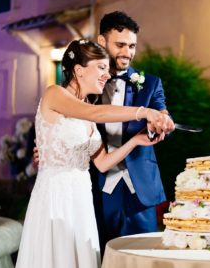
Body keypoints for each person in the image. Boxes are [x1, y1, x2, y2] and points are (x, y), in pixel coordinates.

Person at [16, 39, 174, 268]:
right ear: (79, 70)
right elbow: (96, 113)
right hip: (56, 199)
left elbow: (102, 163)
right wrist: (144, 112)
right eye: (101, 68)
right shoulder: (55, 94)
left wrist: (136, 142)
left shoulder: (87, 111)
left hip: (81, 201)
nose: (107, 75)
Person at [90, 11, 173, 254]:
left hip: (140, 189)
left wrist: (163, 121)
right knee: (101, 255)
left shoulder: (150, 83)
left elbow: (162, 112)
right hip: (98, 186)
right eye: (120, 45)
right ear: (102, 41)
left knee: (144, 255)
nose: (127, 52)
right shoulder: (86, 82)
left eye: (132, 46)